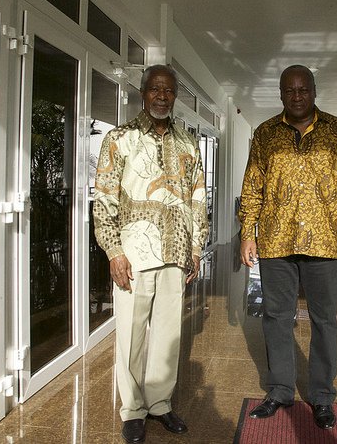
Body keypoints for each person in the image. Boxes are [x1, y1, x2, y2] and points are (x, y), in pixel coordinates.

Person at [239, 64, 337, 430]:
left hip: (325, 241)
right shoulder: (265, 134)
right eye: (289, 90)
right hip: (276, 240)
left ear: (314, 91)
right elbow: (252, 187)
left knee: (325, 320)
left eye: (303, 90)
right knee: (276, 318)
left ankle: (322, 395)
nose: (296, 96)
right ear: (280, 94)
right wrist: (247, 233)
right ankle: (280, 390)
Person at [93, 64, 208, 444]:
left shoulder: (189, 143)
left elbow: (198, 200)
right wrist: (113, 250)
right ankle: (133, 410)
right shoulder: (119, 138)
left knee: (167, 335)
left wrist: (196, 247)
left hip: (176, 253)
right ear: (142, 93)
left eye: (169, 91)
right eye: (155, 89)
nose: (162, 96)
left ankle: (159, 404)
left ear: (175, 97)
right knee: (130, 334)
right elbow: (105, 199)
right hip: (134, 253)